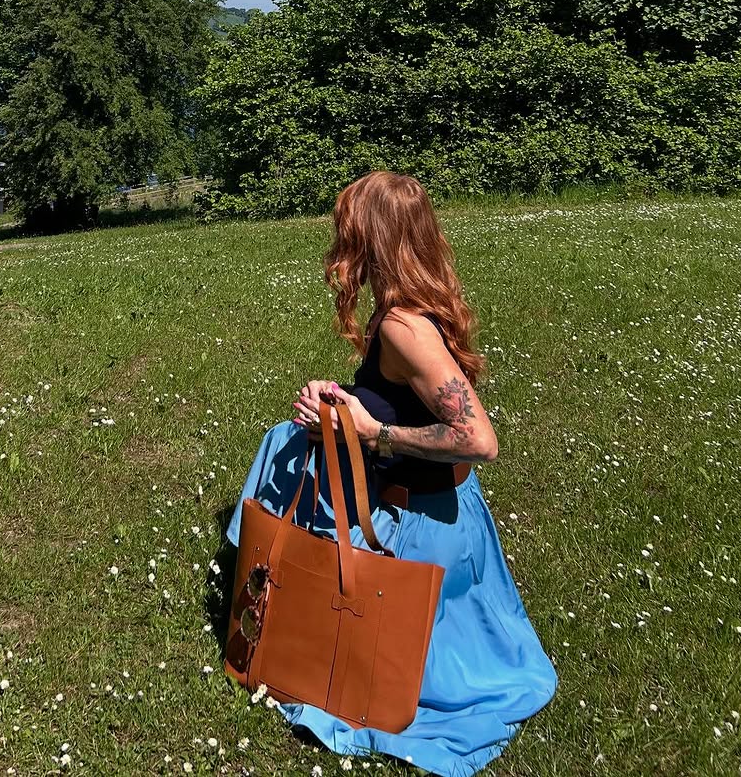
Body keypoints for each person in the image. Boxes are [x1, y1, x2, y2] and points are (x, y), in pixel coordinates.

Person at [226, 171, 557, 777]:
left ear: (372, 241)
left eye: (346, 231)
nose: (337, 243)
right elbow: (394, 399)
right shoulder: (406, 308)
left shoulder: (406, 328)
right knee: (288, 439)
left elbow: (478, 440)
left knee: (283, 455)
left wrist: (370, 432)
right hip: (443, 510)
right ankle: (264, 578)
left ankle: (263, 586)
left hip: (420, 527)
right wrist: (341, 402)